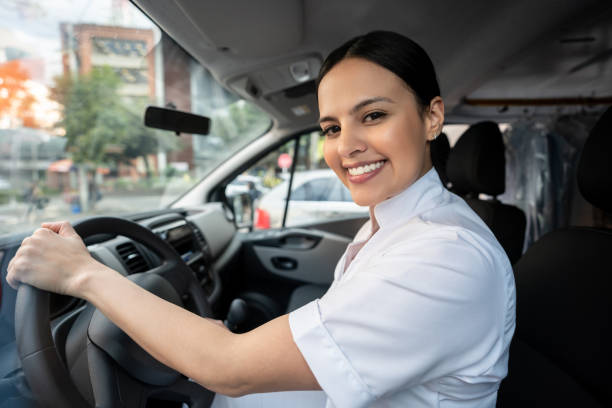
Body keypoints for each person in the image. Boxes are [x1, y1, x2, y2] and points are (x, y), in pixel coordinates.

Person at [7, 31, 515, 408]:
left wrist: (82, 274)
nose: (347, 146)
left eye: (374, 116)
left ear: (432, 117)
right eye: (332, 127)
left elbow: (227, 368)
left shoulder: (447, 255)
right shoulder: (396, 220)